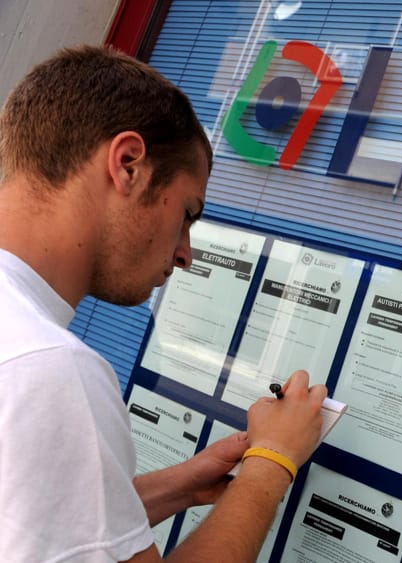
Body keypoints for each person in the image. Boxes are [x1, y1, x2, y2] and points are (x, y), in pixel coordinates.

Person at [0, 45, 327, 562]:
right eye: (187, 214)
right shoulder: (51, 370)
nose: (185, 254)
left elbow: (32, 522)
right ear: (128, 165)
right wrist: (272, 461)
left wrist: (181, 486)